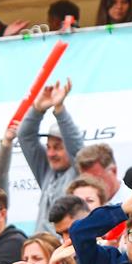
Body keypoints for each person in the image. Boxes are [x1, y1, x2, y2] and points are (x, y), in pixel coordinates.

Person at [16, 80, 85, 233]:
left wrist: (59, 109)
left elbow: (77, 148)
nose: (51, 153)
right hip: (41, 245)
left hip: (67, 245)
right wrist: (37, 109)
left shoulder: (80, 173)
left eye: (58, 148)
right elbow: (25, 137)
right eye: (48, 147)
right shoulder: (47, 172)